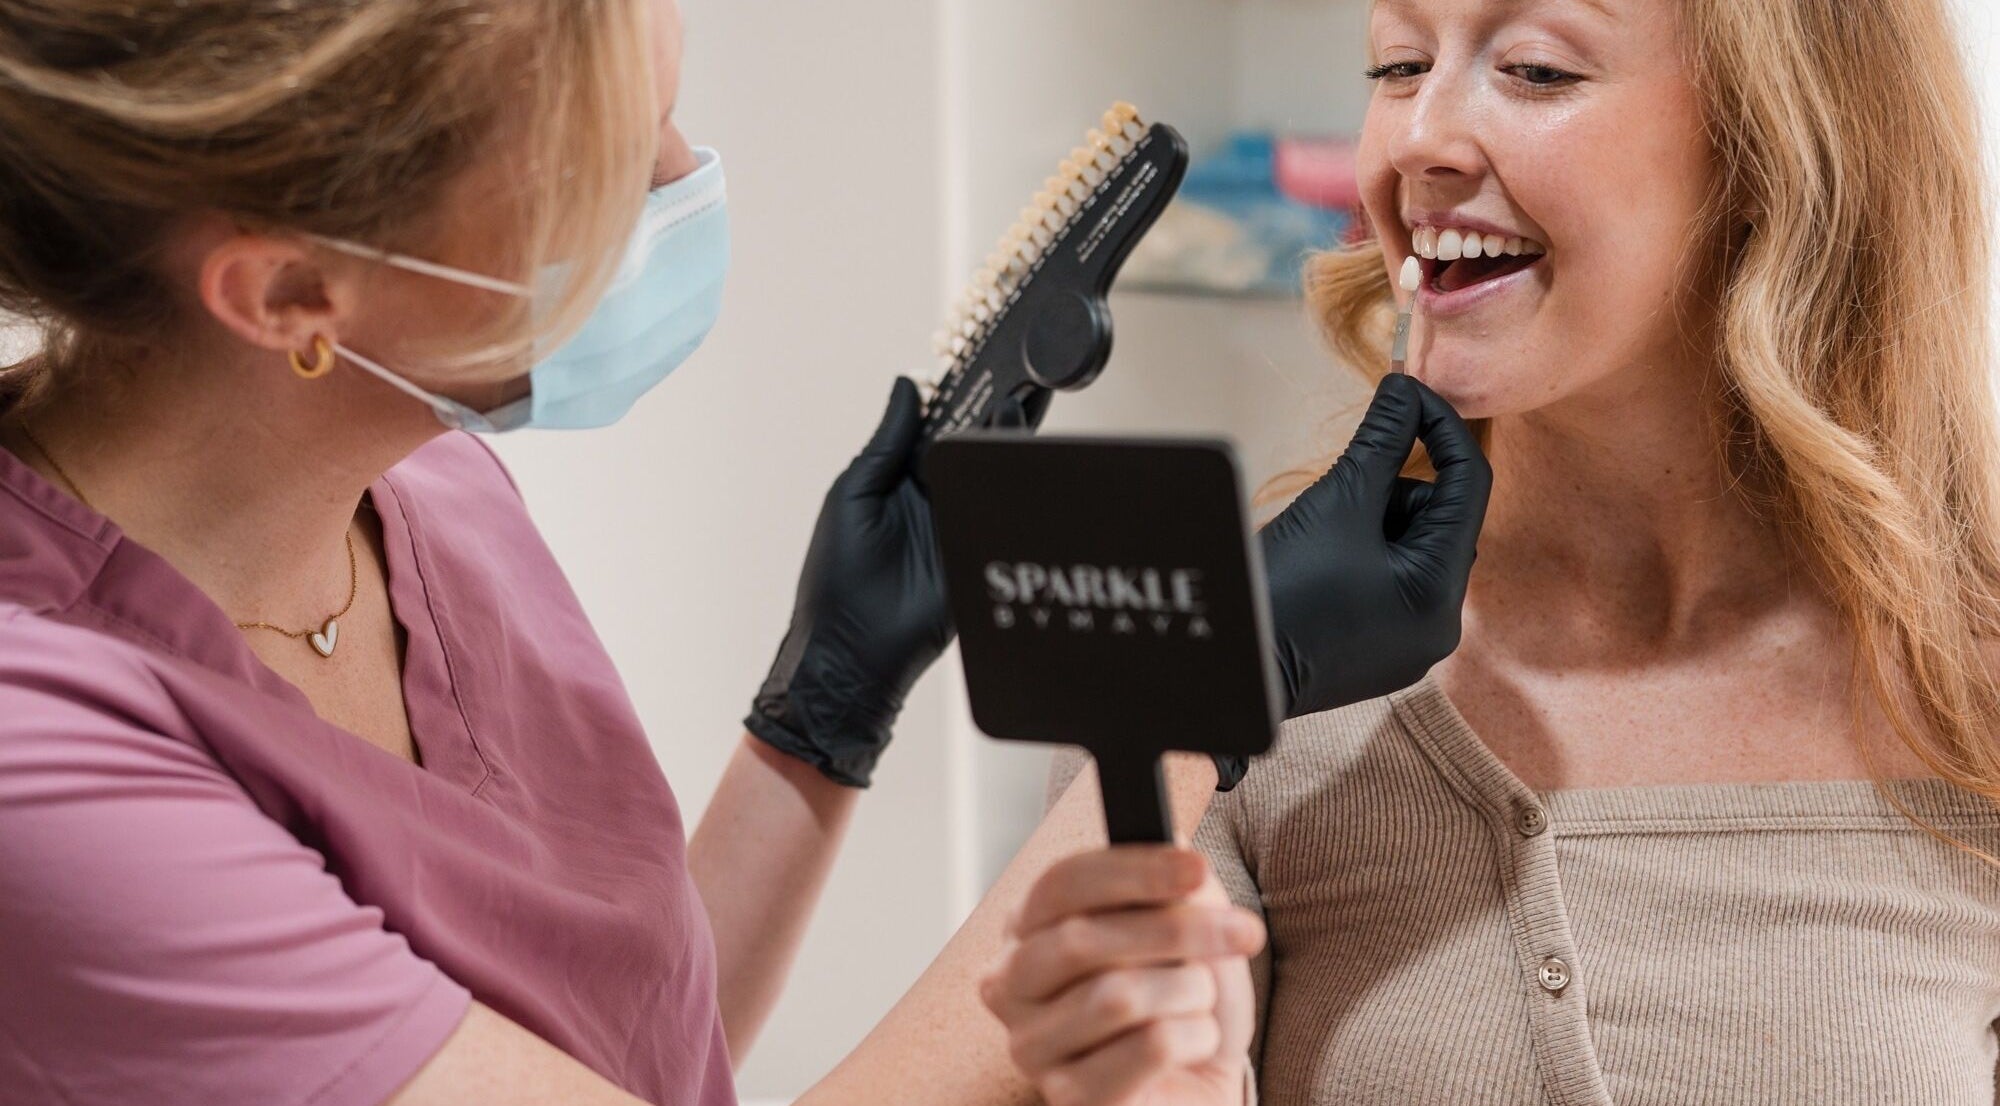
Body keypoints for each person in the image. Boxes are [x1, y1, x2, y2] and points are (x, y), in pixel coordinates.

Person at [0, 3, 1490, 1104]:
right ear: (288, 292)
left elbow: (613, 1034)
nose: (683, 178)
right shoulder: (40, 753)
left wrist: (823, 711)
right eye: (605, 164)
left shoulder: (426, 483)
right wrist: (1189, 698)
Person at [869, 0, 2000, 1101]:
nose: (1414, 137)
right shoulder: (1235, 684)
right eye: (1396, 64)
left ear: (1781, 147)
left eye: (1537, 69)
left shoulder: (1971, 687)